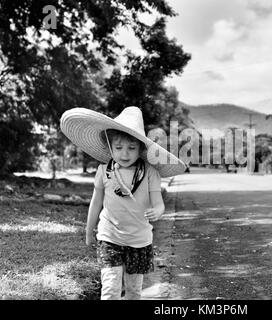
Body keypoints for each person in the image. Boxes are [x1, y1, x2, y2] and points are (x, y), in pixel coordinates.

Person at [60, 106, 186, 300]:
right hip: (109, 237)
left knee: (134, 291)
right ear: (110, 147)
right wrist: (88, 231)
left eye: (131, 148)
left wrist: (158, 212)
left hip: (139, 241)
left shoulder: (150, 173)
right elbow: (96, 203)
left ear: (141, 149)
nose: (124, 154)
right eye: (118, 148)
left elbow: (158, 203)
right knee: (110, 289)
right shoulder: (104, 171)